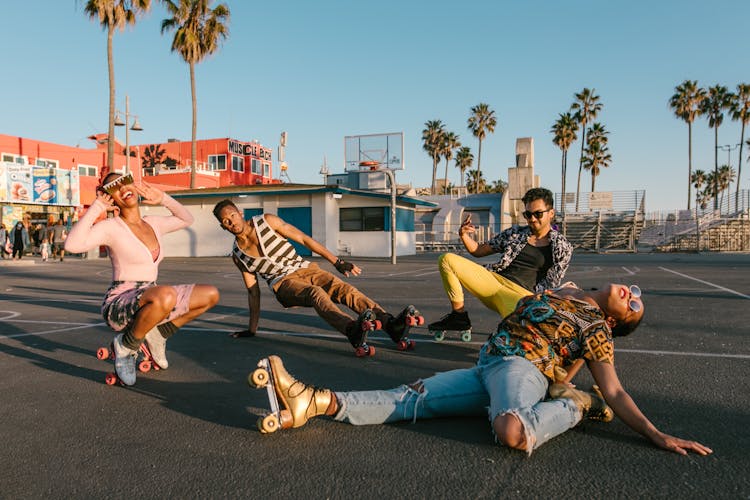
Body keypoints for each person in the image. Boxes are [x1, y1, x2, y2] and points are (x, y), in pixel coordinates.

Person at [252, 282, 712, 457]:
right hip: (488, 366)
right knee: (410, 397)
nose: (630, 292)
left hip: (520, 370)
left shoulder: (597, 328)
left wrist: (656, 434)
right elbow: (563, 360)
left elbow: (614, 390)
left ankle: (572, 410)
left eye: (634, 304)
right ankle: (313, 402)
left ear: (615, 322)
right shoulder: (565, 294)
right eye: (634, 291)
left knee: (511, 430)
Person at [65, 172, 220, 385]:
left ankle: (158, 335)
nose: (122, 188)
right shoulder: (111, 227)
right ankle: (126, 347)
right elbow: (72, 245)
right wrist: (98, 207)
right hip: (120, 302)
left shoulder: (153, 223)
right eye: (114, 188)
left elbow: (187, 219)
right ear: (111, 197)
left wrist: (163, 198)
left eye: (125, 181)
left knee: (210, 294)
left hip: (152, 298)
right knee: (165, 295)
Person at [213, 199, 422, 354]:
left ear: (239, 213)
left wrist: (337, 262)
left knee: (344, 290)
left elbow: (304, 240)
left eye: (232, 215)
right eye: (226, 221)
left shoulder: (267, 221)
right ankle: (351, 329)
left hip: (306, 269)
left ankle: (391, 325)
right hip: (283, 284)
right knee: (316, 294)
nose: (231, 222)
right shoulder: (238, 255)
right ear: (223, 227)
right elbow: (253, 291)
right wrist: (252, 329)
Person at [428, 187, 573, 334]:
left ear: (551, 213)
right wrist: (464, 235)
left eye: (538, 213)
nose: (533, 218)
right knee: (447, 259)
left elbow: (552, 284)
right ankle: (459, 316)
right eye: (528, 214)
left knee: (522, 335)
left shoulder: (561, 247)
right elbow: (478, 251)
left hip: (521, 297)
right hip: (493, 282)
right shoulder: (515, 233)